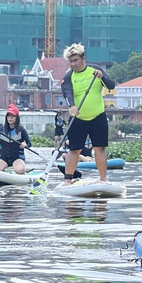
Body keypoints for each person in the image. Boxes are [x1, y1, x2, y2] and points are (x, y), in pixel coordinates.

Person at [60, 43, 117, 183]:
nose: (73, 64)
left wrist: (102, 77)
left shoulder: (95, 70)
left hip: (98, 116)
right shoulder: (68, 76)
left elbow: (111, 85)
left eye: (76, 60)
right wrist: (72, 106)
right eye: (71, 61)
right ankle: (68, 180)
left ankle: (103, 178)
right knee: (74, 150)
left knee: (99, 148)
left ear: (83, 58)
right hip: (78, 118)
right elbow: (67, 92)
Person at [0, 104, 31, 174]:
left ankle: (18, 168)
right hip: (3, 158)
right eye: (9, 116)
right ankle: (3, 170)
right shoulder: (2, 129)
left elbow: (29, 144)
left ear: (16, 118)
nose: (10, 118)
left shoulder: (21, 130)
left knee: (20, 170)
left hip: (17, 158)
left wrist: (25, 145)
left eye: (12, 116)